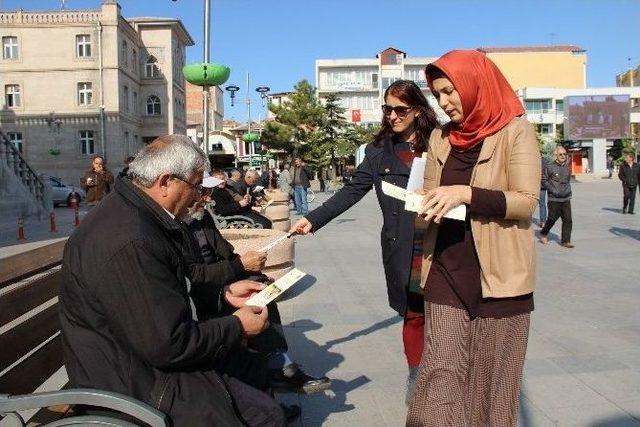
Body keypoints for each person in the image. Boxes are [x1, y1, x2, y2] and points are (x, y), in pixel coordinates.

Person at [60, 135, 286, 427]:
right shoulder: (131, 239)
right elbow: (169, 344)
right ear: (166, 182)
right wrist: (236, 324)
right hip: (131, 384)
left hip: (138, 361)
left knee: (252, 368)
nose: (198, 195)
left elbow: (166, 290)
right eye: (194, 185)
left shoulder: (139, 215)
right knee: (266, 416)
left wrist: (223, 295)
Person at [406, 50, 540, 426]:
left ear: (475, 84)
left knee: (492, 386)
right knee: (439, 375)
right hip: (446, 268)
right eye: (438, 95)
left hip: (501, 278)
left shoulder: (516, 131)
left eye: (450, 91)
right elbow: (434, 194)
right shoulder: (439, 138)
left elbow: (526, 202)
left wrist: (466, 194)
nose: (445, 102)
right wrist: (421, 202)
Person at [289, 80, 439, 403]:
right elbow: (351, 192)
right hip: (403, 246)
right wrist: (313, 219)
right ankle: (416, 373)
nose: (393, 116)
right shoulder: (378, 152)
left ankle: (443, 375)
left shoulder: (440, 144)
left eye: (401, 109)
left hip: (438, 244)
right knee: (413, 315)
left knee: (444, 315)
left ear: (417, 110)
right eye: (388, 109)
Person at [184, 175, 331, 396]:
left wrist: (248, 269)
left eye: (208, 193)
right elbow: (194, 275)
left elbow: (225, 251)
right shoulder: (174, 227)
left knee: (264, 289)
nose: (207, 199)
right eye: (202, 192)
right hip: (202, 295)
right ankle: (277, 373)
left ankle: (278, 366)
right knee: (254, 302)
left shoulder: (200, 217)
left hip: (221, 280)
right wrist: (237, 272)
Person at [540, 146, 574, 247]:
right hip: (554, 198)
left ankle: (566, 241)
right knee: (552, 218)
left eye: (564, 154)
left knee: (568, 220)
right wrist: (553, 190)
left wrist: (568, 190)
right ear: (556, 156)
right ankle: (544, 233)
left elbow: (567, 181)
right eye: (561, 154)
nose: (563, 156)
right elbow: (544, 179)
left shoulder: (567, 167)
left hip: (566, 197)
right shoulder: (549, 166)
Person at [539, 156, 548, 227]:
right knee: (542, 204)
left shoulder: (533, 159)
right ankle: (543, 222)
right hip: (543, 185)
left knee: (529, 203)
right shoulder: (546, 161)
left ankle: (525, 220)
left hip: (534, 185)